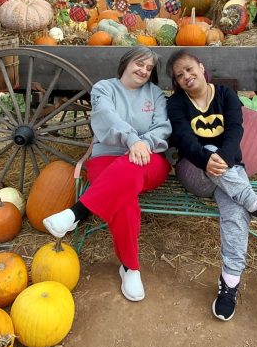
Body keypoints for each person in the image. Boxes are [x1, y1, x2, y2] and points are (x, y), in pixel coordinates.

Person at [165, 50, 257, 321]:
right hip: (194, 173)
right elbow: (184, 139)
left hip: (228, 176)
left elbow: (235, 130)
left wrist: (221, 158)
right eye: (180, 76)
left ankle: (230, 284)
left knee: (235, 212)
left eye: (189, 69)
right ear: (176, 83)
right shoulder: (177, 104)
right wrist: (206, 158)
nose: (186, 77)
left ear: (201, 68)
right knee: (210, 149)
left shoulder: (225, 95)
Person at [43, 46, 171, 302]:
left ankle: (76, 212)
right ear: (125, 63)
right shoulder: (104, 88)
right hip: (107, 157)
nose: (144, 71)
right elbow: (107, 117)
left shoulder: (155, 93)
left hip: (149, 157)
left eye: (149, 68)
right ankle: (131, 268)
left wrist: (142, 144)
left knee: (131, 168)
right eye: (139, 64)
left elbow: (162, 127)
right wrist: (131, 140)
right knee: (125, 198)